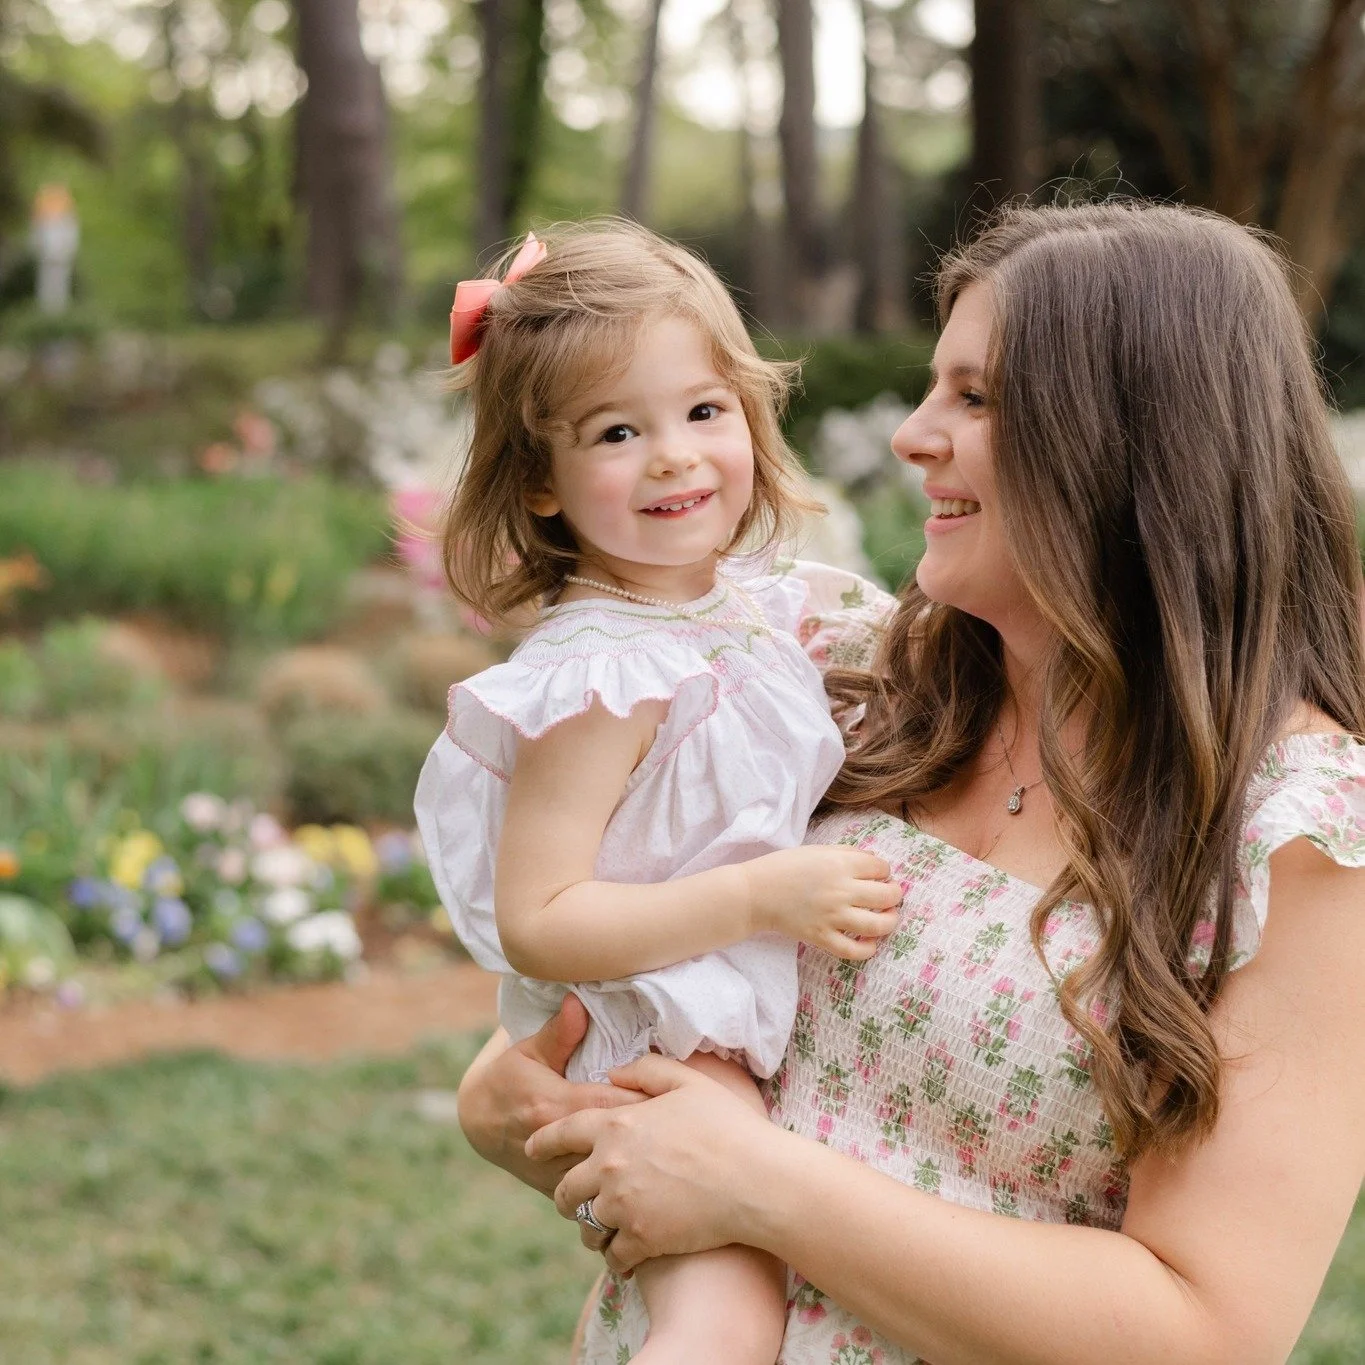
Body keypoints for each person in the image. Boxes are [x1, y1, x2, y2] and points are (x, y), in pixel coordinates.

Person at [457, 200, 1365, 1365]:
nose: (911, 436)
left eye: (975, 398)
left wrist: (758, 1185)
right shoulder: (854, 685)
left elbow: (1207, 1332)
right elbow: (592, 1024)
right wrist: (509, 1104)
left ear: (1135, 440)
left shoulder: (1299, 837)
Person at [415, 220, 902, 1365]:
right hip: (659, 1051)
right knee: (723, 1325)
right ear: (538, 482)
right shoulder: (602, 672)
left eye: (702, 412)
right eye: (616, 432)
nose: (675, 456)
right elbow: (543, 920)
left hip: (718, 1044)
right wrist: (761, 898)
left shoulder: (744, 606)